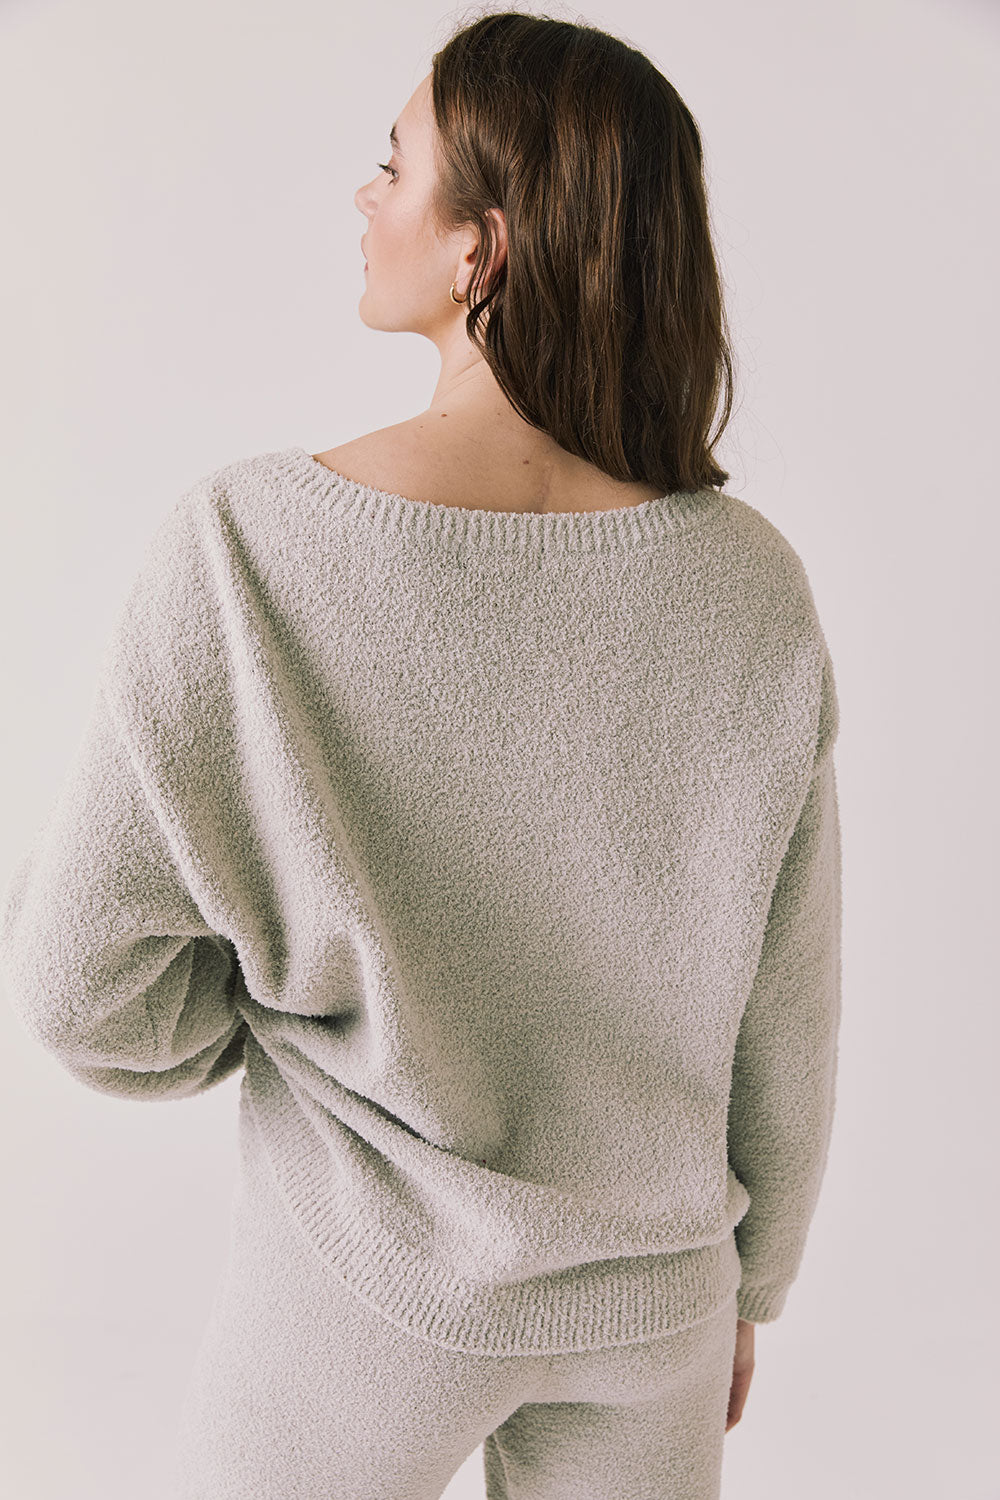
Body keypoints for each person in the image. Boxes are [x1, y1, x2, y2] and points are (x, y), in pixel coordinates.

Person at [0, 12, 840, 1499]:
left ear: (483, 252)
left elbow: (83, 989)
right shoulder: (751, 585)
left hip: (367, 1283)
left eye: (395, 169)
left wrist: (297, 1036)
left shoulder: (251, 549)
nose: (364, 198)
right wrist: (749, 1288)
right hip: (654, 1301)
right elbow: (788, 1005)